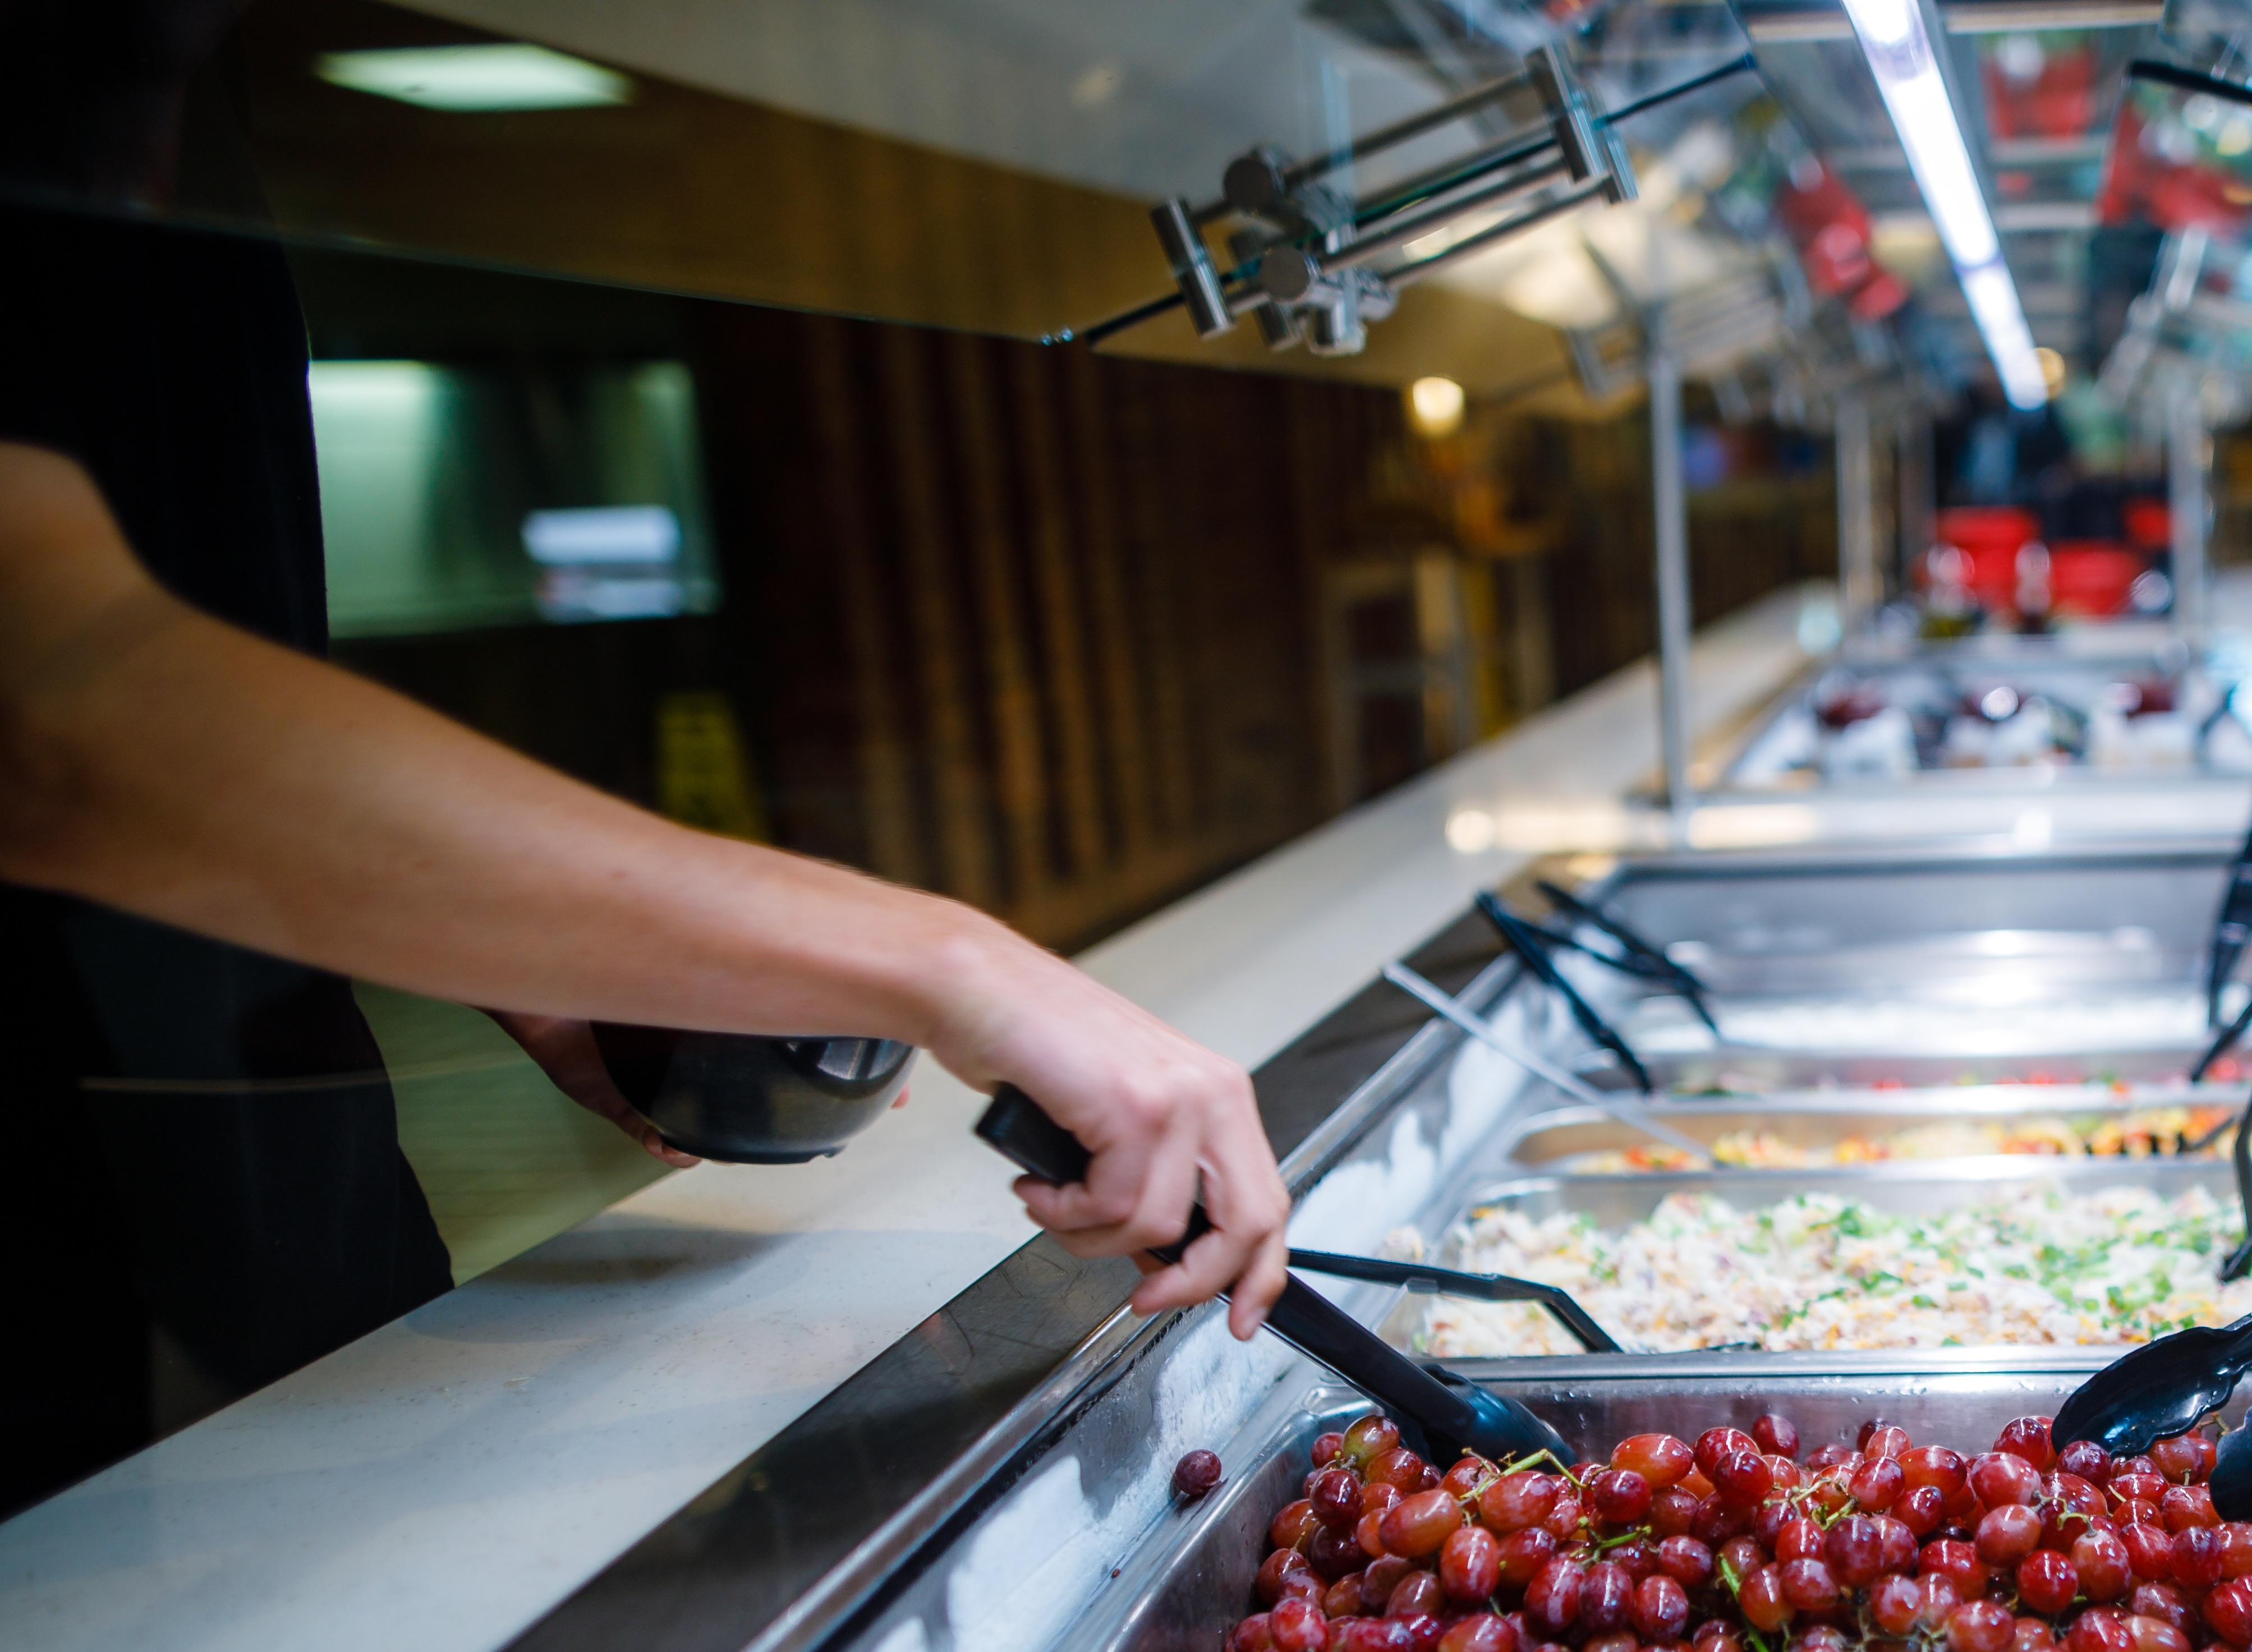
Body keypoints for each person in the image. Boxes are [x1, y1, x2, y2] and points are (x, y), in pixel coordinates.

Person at [0, 24, 1292, 1517]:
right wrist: (954, 964)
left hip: (269, 1207)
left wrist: (525, 946)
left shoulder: (181, 109)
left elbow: (206, 640)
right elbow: (58, 715)